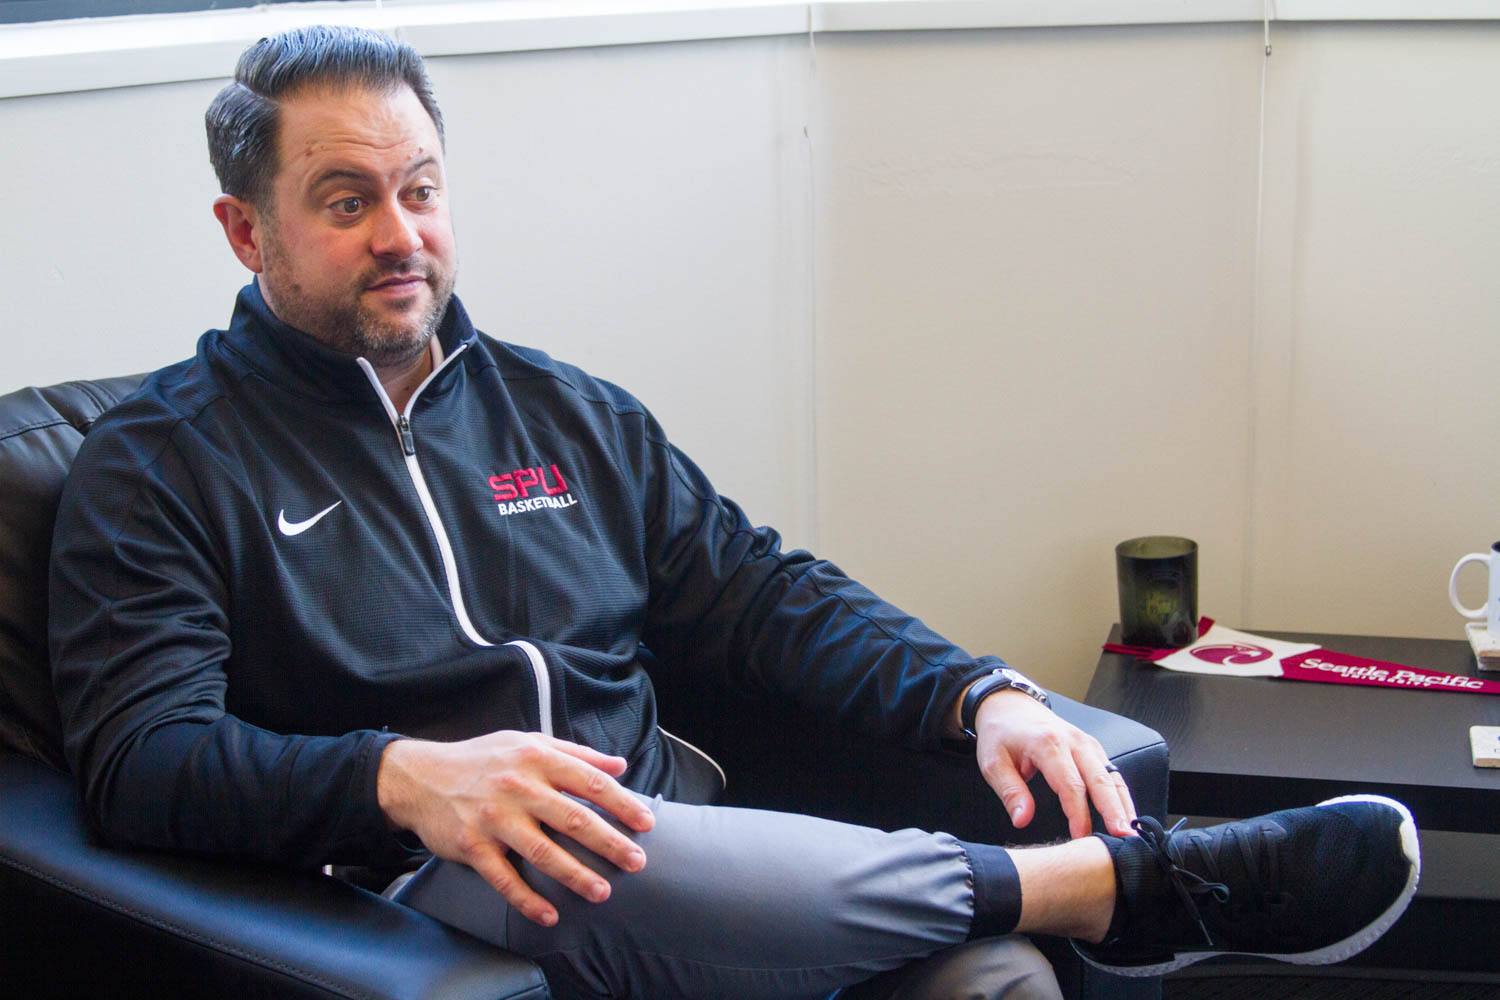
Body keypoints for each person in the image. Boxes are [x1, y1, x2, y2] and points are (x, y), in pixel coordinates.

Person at [48, 25, 1419, 1000]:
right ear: (246, 230)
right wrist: (400, 776)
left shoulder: (564, 413)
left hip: (693, 849)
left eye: (419, 190)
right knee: (574, 851)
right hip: (420, 884)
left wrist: (979, 694)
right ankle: (1130, 887)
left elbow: (761, 593)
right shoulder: (160, 464)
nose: (400, 235)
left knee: (990, 978)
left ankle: (1065, 903)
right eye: (344, 202)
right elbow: (141, 761)